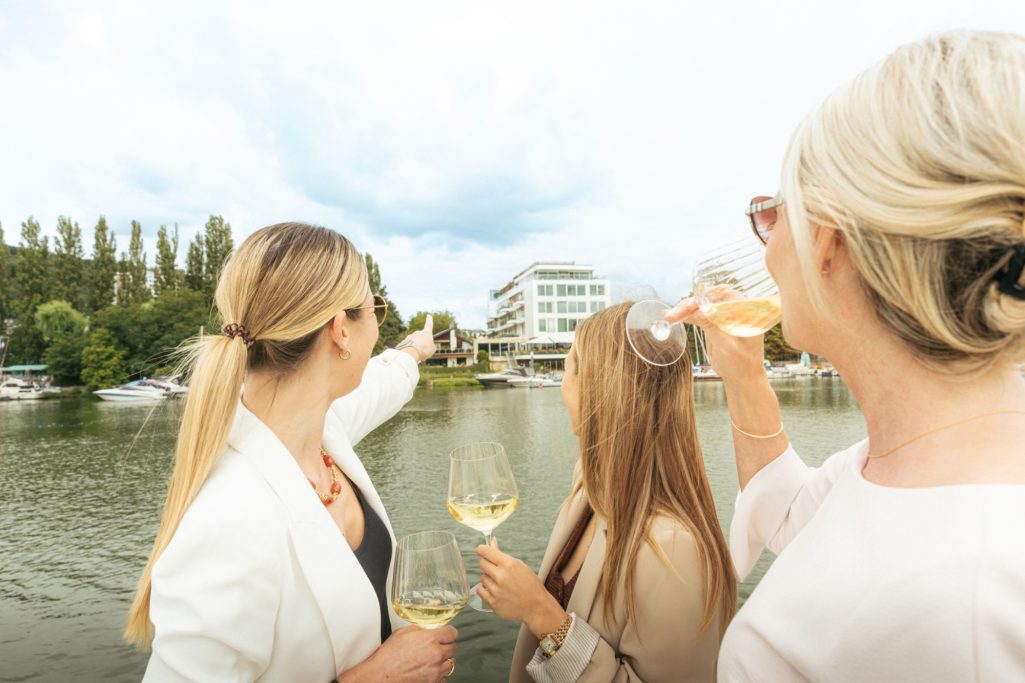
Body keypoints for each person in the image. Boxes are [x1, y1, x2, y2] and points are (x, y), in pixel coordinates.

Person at [668, 31, 1025, 682]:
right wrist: (742, 370)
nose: (768, 251)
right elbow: (789, 514)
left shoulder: (964, 608)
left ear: (826, 237)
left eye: (772, 216)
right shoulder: (908, 456)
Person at [124, 222, 459, 682]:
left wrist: (415, 350)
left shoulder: (325, 429)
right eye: (373, 307)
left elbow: (384, 379)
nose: (377, 322)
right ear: (341, 330)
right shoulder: (229, 520)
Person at [477, 303, 736, 683]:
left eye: (568, 368)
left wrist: (542, 615)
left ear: (599, 391)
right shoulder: (588, 488)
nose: (562, 385)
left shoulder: (674, 549)